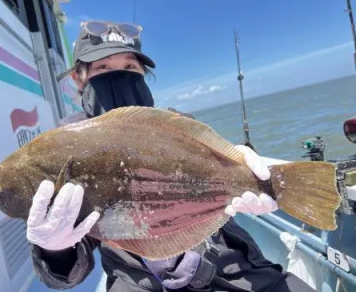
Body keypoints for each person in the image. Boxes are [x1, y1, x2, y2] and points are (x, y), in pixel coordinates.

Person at [27, 21, 315, 292]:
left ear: (143, 75)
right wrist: (55, 248)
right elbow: (69, 274)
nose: (119, 76)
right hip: (139, 282)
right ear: (81, 77)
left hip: (232, 270)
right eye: (103, 67)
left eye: (130, 66)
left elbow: (212, 158)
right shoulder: (68, 149)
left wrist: (244, 159)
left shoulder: (175, 122)